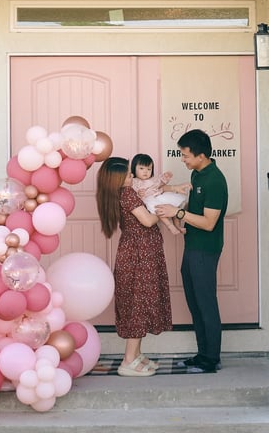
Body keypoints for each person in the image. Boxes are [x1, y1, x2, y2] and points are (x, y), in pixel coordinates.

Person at [156, 129, 228, 374]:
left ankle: (211, 359)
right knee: (195, 303)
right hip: (193, 247)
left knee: (206, 303)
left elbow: (209, 223)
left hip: (205, 251)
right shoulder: (197, 175)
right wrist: (179, 210)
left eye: (186, 155)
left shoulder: (214, 181)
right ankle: (203, 354)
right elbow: (193, 208)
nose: (183, 159)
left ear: (201, 155)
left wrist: (177, 213)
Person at [96, 156, 173, 377]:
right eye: (128, 174)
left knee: (139, 301)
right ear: (117, 179)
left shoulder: (121, 193)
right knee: (138, 303)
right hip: (140, 255)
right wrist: (165, 208)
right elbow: (147, 220)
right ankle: (128, 360)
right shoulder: (128, 194)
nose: (132, 176)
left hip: (138, 252)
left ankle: (136, 355)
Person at [130, 153, 188, 235]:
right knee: (159, 209)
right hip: (148, 199)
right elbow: (133, 193)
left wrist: (166, 177)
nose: (145, 172)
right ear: (134, 168)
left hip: (158, 196)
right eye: (141, 168)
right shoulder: (134, 181)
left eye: (149, 169)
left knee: (175, 207)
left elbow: (160, 184)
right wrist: (139, 193)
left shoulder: (153, 179)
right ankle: (170, 226)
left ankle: (177, 225)